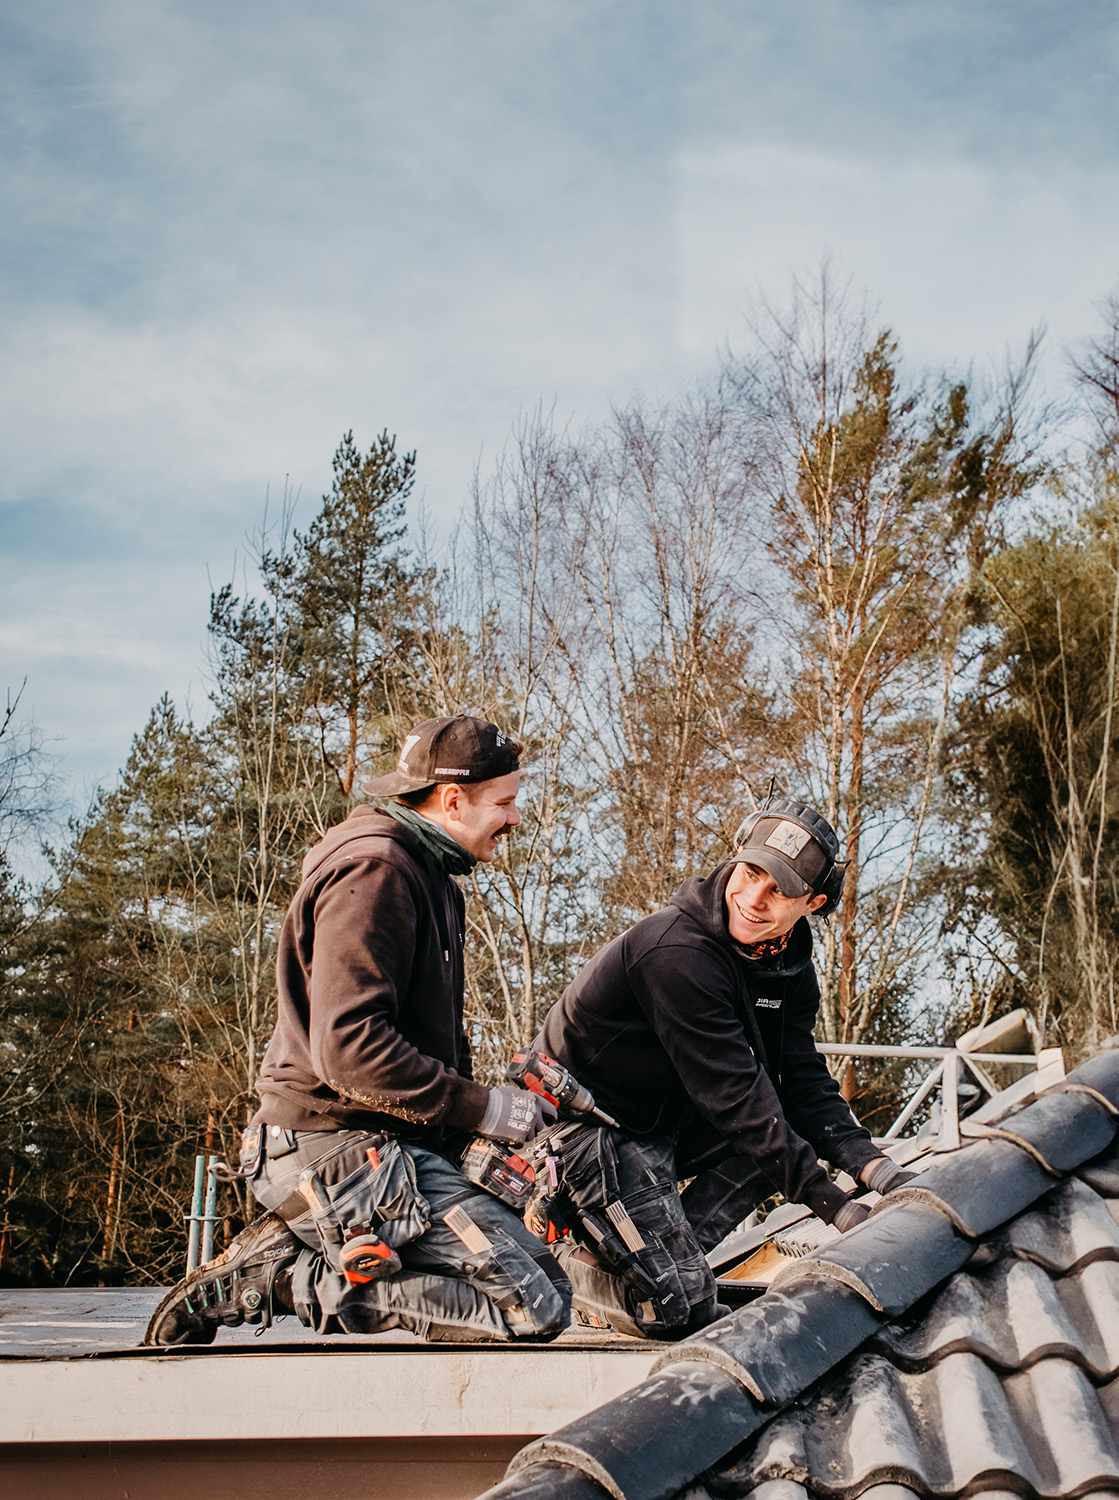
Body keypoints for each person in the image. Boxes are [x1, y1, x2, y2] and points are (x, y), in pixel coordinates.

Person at [146, 715, 571, 1347]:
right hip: (330, 1147)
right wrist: (487, 1109)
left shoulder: (432, 878)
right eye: (504, 803)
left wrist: (470, 1136)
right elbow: (350, 1050)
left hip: (384, 1145)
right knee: (530, 1307)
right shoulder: (377, 872)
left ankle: (308, 1239)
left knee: (550, 1283)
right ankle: (284, 1277)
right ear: (452, 801)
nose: (515, 818)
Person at [535, 796, 911, 1341]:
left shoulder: (787, 970)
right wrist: (838, 1209)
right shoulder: (675, 951)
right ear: (735, 857)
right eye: (750, 872)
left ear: (814, 902)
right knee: (680, 1315)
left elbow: (801, 1084)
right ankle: (572, 1267)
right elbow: (735, 1097)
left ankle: (646, 1259)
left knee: (779, 1139)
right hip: (587, 1132)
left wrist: (879, 1171)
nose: (754, 899)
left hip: (659, 1125)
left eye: (779, 890)